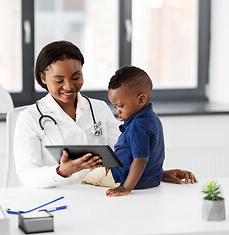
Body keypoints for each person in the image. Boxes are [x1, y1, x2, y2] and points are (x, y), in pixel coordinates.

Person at [14, 40, 197, 189]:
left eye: (76, 77)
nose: (69, 86)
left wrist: (157, 174)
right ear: (43, 78)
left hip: (101, 195)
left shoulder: (99, 109)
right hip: (57, 198)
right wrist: (62, 171)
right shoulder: (29, 118)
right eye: (59, 80)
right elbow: (27, 176)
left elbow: (125, 156)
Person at [106, 66, 164, 197]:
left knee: (86, 173)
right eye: (115, 106)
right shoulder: (151, 117)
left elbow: (140, 160)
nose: (117, 111)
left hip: (124, 177)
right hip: (151, 179)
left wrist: (125, 187)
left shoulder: (138, 124)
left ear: (141, 100)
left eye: (120, 106)